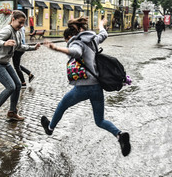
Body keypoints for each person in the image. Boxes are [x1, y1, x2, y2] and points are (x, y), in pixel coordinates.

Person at [40, 17, 131, 157]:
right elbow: (104, 34)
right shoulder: (92, 39)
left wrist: (57, 48)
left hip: (83, 87)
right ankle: (119, 135)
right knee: (100, 120)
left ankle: (50, 128)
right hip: (97, 87)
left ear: (70, 36)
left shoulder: (77, 42)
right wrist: (101, 24)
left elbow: (76, 52)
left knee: (63, 104)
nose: (67, 43)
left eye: (66, 40)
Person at [0, 10, 41, 124]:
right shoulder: (7, 30)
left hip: (5, 62)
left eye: (23, 23)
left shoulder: (18, 31)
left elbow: (20, 46)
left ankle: (12, 112)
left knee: (18, 84)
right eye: (19, 22)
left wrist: (33, 48)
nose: (21, 25)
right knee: (10, 86)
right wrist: (4, 43)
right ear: (13, 19)